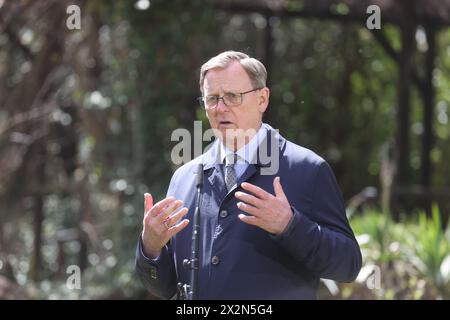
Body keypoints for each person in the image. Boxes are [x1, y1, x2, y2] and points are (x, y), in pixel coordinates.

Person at [135, 50, 362, 299]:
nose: (220, 108)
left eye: (232, 97)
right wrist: (151, 248)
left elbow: (348, 266)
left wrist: (290, 226)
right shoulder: (184, 178)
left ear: (262, 99)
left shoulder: (308, 169)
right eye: (212, 98)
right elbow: (164, 288)